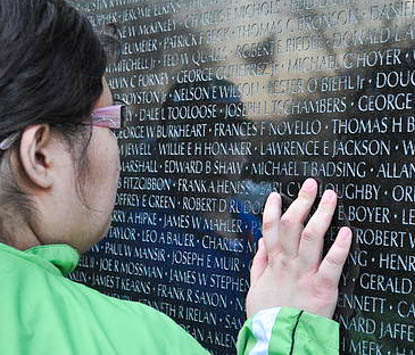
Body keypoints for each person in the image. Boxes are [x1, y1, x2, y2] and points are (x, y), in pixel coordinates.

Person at [0, 0, 352, 354]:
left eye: (236, 133)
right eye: (109, 121)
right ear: (41, 156)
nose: (226, 151)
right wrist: (286, 330)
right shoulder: (136, 335)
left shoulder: (256, 226)